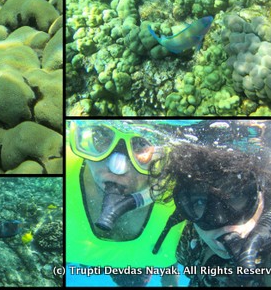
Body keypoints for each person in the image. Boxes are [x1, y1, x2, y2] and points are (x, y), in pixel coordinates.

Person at [151, 142, 271, 286]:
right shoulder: (189, 239)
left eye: (236, 196)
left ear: (261, 193)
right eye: (200, 202)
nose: (220, 220)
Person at [66, 120, 184, 286]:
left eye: (141, 144)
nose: (117, 168)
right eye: (102, 136)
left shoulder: (183, 188)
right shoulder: (59, 166)